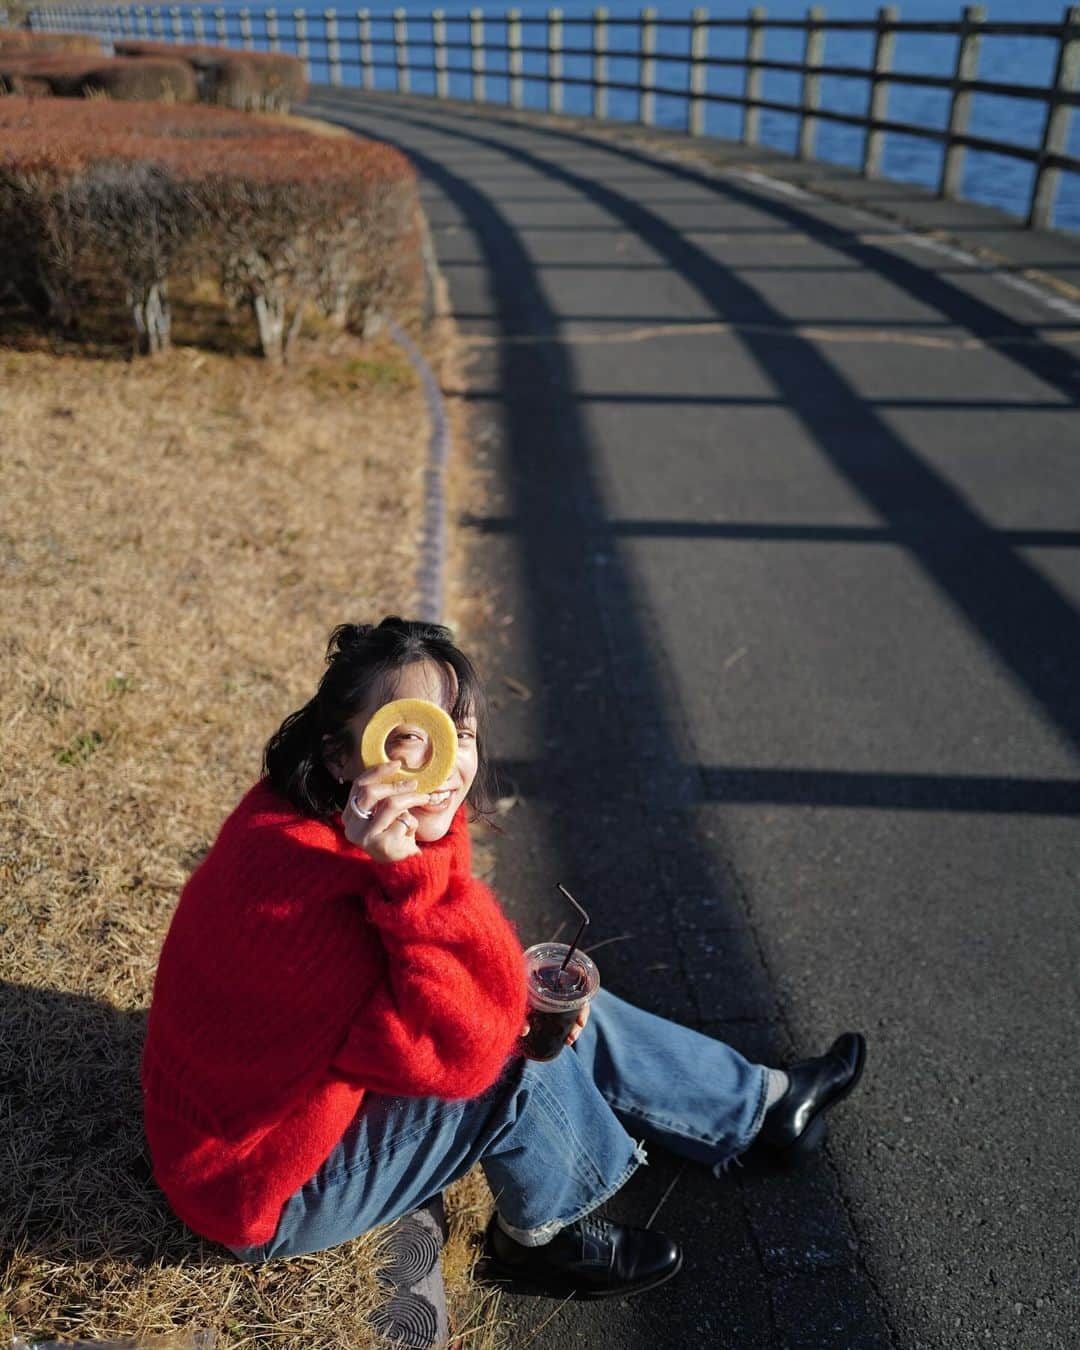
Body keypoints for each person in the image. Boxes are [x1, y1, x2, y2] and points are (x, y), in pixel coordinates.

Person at [141, 616, 866, 1300]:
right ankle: (533, 1243)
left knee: (544, 990)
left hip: (261, 1122)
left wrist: (500, 977)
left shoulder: (316, 813)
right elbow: (461, 1059)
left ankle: (763, 1107)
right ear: (340, 751)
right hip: (261, 1189)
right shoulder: (317, 894)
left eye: (463, 735)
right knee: (512, 1058)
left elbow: (460, 959)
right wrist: (422, 893)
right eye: (410, 736)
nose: (450, 765)